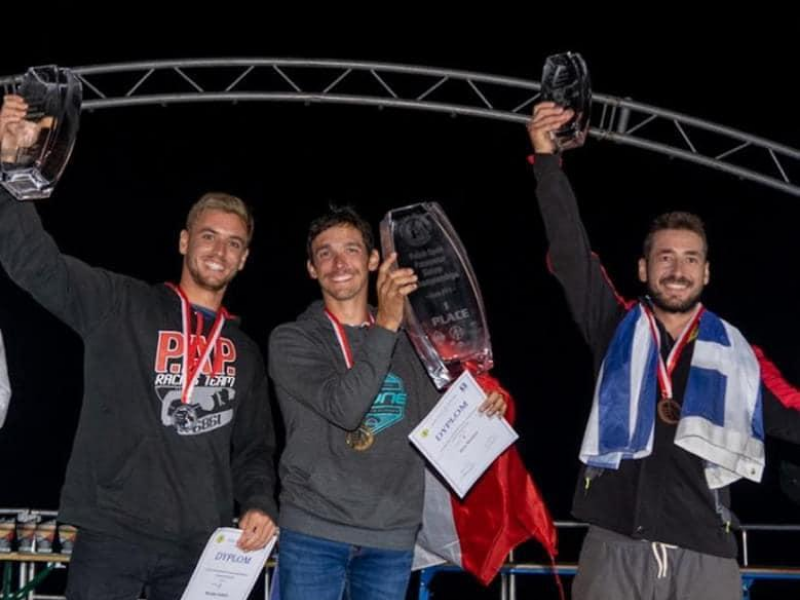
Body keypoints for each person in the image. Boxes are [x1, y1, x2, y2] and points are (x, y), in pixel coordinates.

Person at [0, 94, 278, 600]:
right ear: (183, 242)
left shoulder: (245, 352)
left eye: (233, 243)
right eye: (209, 236)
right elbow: (33, 263)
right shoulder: (121, 305)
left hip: (200, 545)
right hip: (114, 537)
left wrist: (259, 501)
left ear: (244, 259)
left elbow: (255, 448)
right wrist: (10, 168)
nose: (219, 251)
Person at [528, 101, 800, 600]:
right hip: (613, 546)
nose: (677, 269)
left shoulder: (739, 355)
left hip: (705, 553)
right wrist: (547, 160)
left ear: (707, 273)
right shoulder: (614, 326)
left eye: (690, 259)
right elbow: (570, 254)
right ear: (642, 268)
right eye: (665, 257)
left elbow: (792, 414)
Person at [268, 206, 506, 600]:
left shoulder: (414, 343)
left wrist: (481, 407)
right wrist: (388, 325)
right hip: (314, 532)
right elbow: (346, 408)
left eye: (351, 249)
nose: (339, 262)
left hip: (391, 539)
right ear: (311, 269)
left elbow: (437, 418)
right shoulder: (292, 340)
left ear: (374, 259)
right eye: (324, 253)